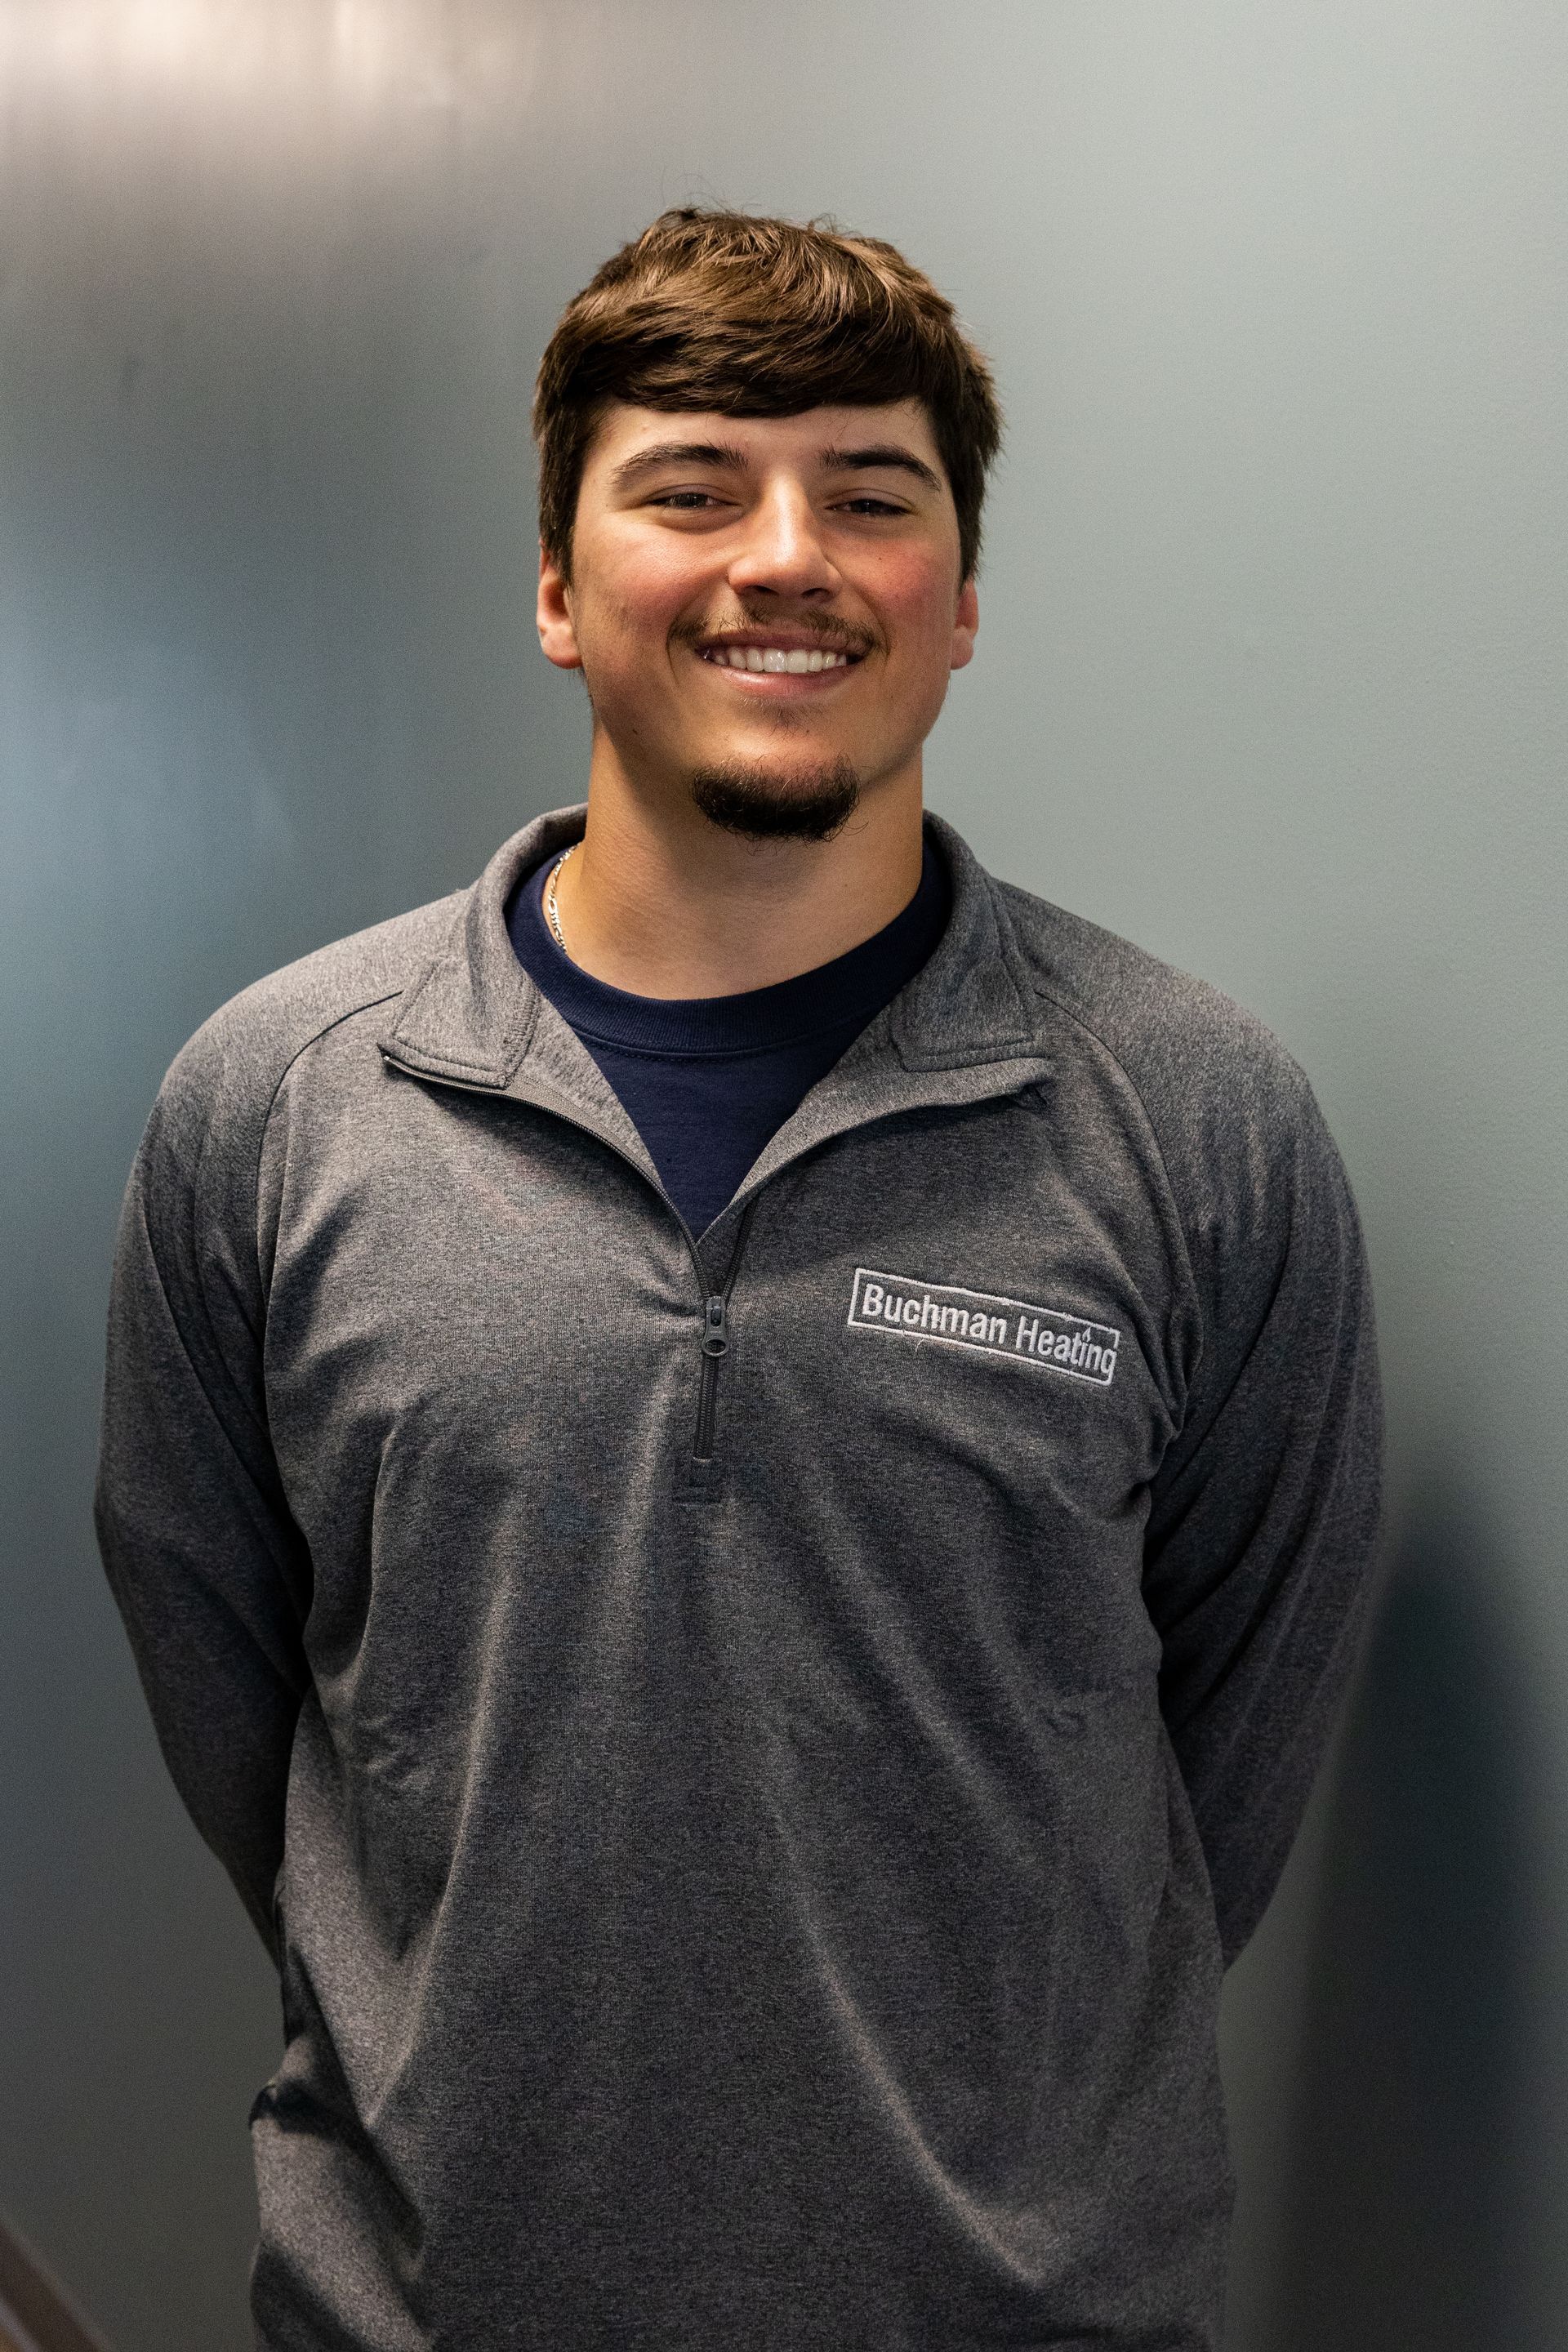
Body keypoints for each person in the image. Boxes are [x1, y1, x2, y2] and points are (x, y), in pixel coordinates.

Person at [96, 209, 1383, 2350]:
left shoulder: (1197, 1123)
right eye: (690, 487)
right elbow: (241, 1694)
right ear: (555, 586)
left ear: (957, 601)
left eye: (871, 496)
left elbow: (1219, 1756)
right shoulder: (280, 1102)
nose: (784, 554)